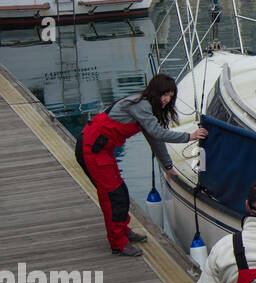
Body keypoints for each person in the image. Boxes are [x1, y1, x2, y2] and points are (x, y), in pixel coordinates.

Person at [76, 74, 206, 257]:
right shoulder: (141, 105)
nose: (167, 100)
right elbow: (158, 133)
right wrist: (189, 137)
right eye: (164, 94)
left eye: (170, 95)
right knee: (113, 196)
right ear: (155, 92)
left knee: (120, 192)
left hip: (103, 149)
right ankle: (118, 243)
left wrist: (168, 166)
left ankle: (122, 230)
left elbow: (155, 139)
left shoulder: (147, 109)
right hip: (91, 149)